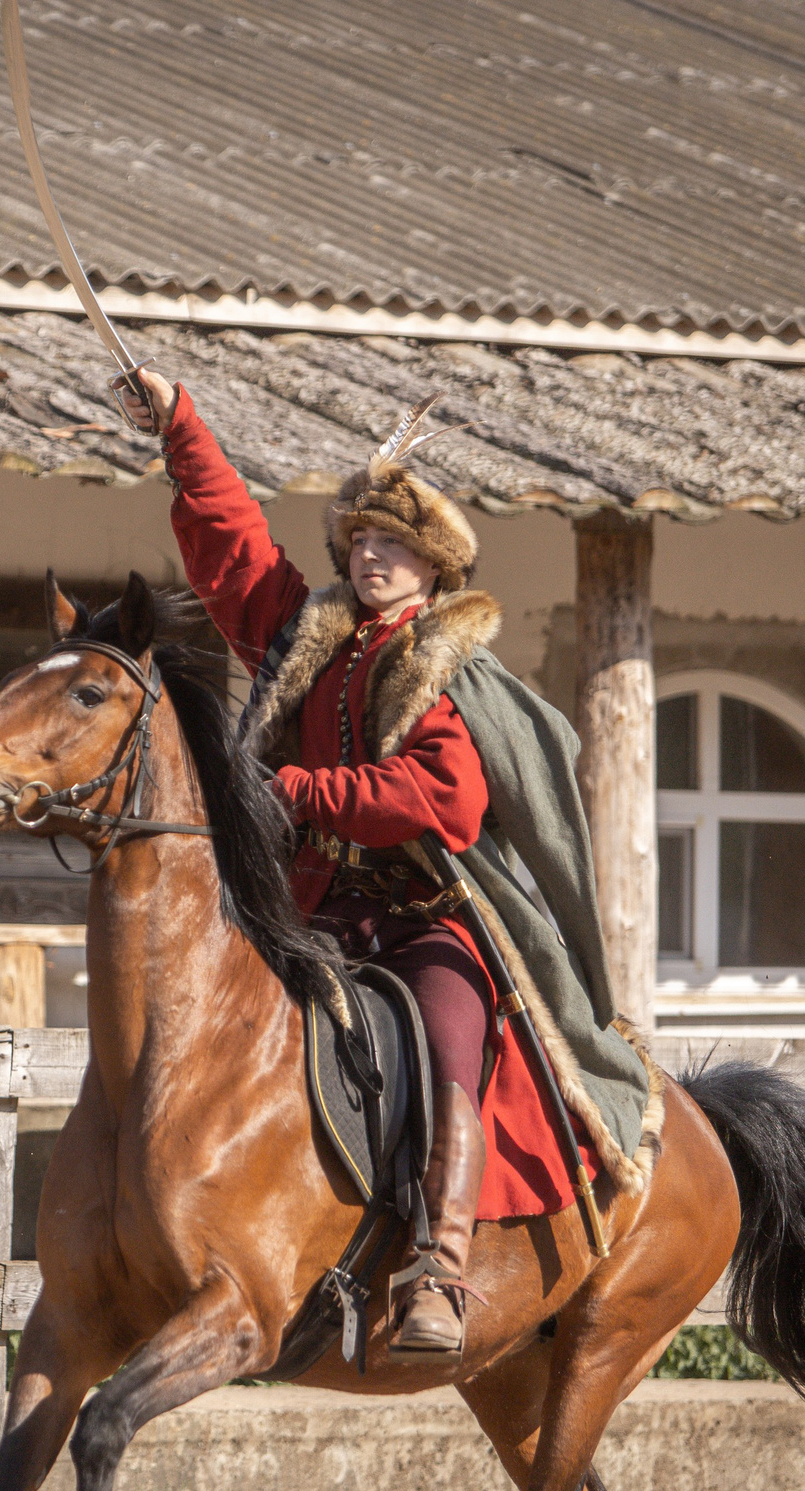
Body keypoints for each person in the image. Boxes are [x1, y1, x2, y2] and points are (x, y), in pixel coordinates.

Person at [132, 365, 556, 1362]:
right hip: (307, 911)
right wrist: (179, 426)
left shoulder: (446, 668)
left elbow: (442, 801)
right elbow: (235, 553)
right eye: (361, 538)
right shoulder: (306, 640)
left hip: (420, 918)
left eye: (396, 543)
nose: (372, 554)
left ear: (435, 569)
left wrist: (302, 794)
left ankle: (436, 1268)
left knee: (451, 1038)